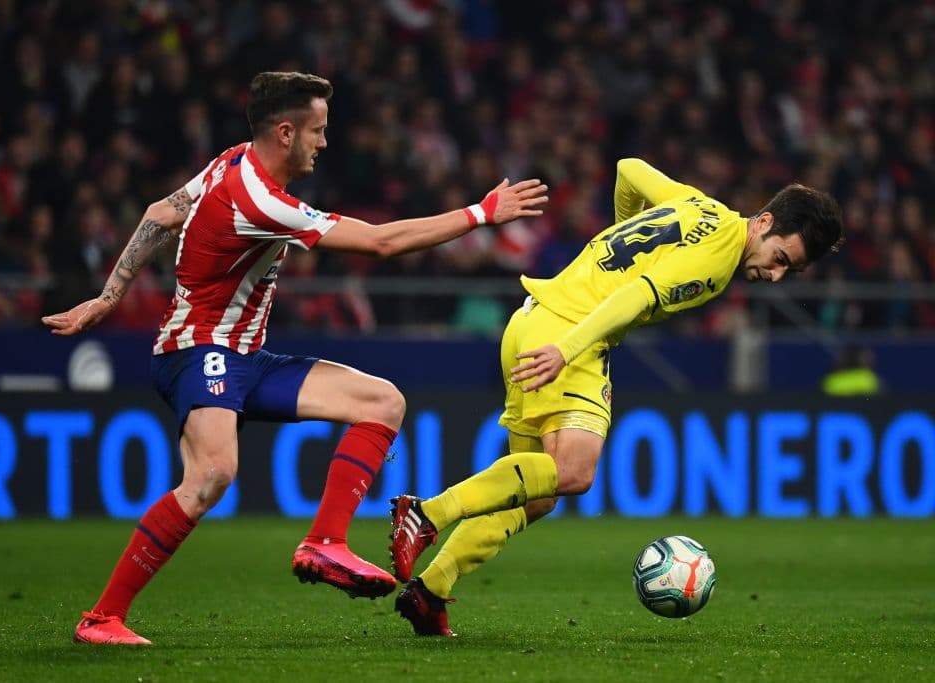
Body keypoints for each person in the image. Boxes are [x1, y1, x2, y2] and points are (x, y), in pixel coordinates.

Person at [41, 71, 548, 646]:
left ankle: (325, 542)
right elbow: (380, 243)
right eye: (318, 130)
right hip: (197, 351)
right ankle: (102, 619)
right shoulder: (260, 201)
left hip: (244, 358)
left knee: (382, 402)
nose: (324, 142)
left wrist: (108, 298)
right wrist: (480, 213)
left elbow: (162, 212)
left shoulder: (232, 160)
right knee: (211, 475)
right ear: (285, 132)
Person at [388, 157, 844, 636]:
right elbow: (638, 296)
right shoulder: (718, 258)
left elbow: (628, 170)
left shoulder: (700, 205)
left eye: (788, 271)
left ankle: (431, 591)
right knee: (573, 471)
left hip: (530, 320)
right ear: (765, 222)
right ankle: (426, 513)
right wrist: (567, 350)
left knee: (535, 496)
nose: (775, 275)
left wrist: (621, 234)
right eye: (780, 259)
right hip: (568, 336)